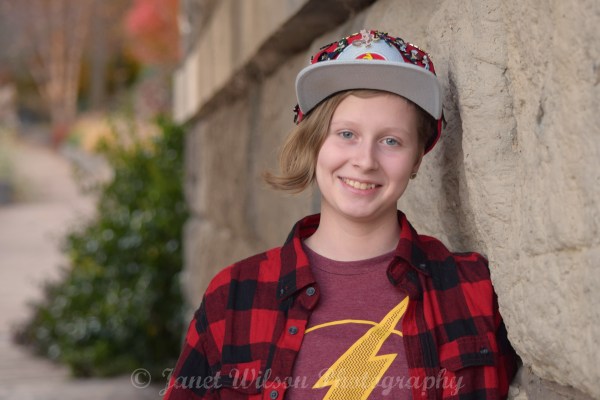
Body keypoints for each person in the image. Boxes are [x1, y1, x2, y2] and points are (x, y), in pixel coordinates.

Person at [163, 29, 518, 400]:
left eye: (391, 141)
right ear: (314, 140)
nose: (365, 161)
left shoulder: (471, 290)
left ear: (416, 159)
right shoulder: (234, 297)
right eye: (346, 134)